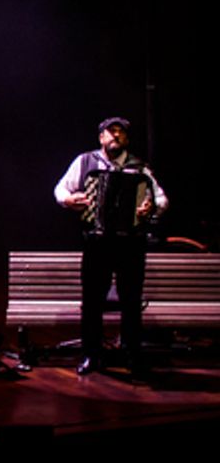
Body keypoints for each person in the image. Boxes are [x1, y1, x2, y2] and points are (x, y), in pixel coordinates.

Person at [54, 116, 167, 375]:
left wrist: (150, 208)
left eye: (121, 133)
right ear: (101, 137)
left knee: (131, 301)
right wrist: (70, 200)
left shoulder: (139, 167)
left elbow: (161, 199)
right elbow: (60, 190)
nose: (115, 136)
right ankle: (92, 355)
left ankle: (132, 354)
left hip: (131, 244)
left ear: (126, 138)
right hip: (97, 242)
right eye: (110, 132)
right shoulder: (85, 162)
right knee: (92, 301)